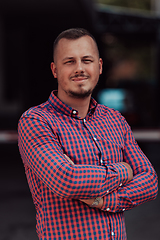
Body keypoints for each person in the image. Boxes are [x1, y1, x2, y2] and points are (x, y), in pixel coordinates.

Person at [18, 28, 158, 240]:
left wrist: (102, 200)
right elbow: (67, 180)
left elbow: (150, 182)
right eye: (69, 62)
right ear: (55, 70)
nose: (80, 68)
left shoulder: (115, 120)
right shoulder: (36, 121)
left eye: (86, 60)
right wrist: (123, 171)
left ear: (99, 66)